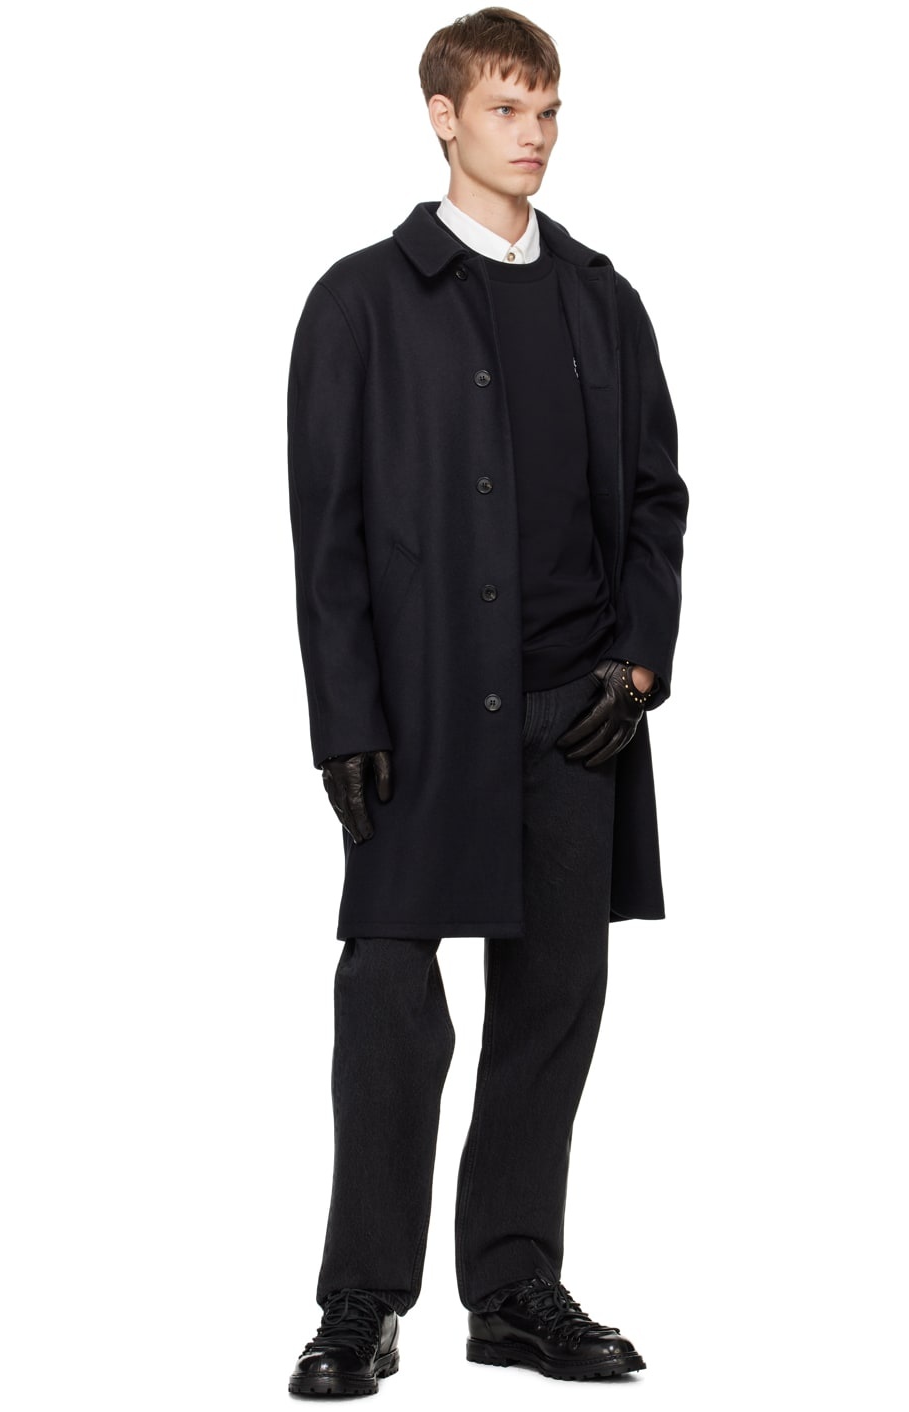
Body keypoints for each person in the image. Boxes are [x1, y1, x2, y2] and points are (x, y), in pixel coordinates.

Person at [284, 6, 688, 1396]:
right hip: (422, 717)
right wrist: (346, 720)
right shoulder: (360, 303)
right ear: (444, 117)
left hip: (577, 714)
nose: (537, 135)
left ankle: (513, 1288)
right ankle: (362, 1300)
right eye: (510, 109)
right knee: (387, 999)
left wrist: (639, 663)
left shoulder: (603, 300)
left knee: (553, 1004)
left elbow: (656, 499)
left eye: (550, 109)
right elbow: (328, 538)